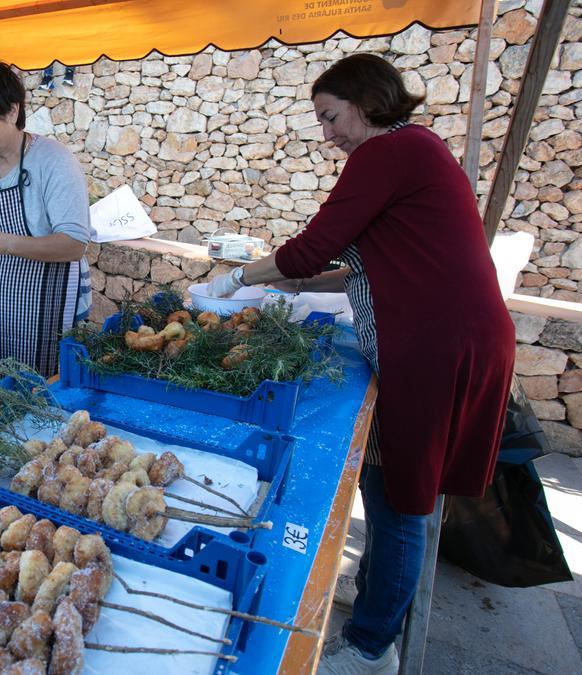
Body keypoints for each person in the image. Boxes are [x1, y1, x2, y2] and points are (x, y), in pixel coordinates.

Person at [207, 53, 515, 675]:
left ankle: (372, 646)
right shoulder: (413, 151)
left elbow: (313, 246)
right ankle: (380, 594)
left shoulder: (388, 152)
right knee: (386, 481)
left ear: (366, 99)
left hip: (437, 348)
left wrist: (238, 276)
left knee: (404, 499)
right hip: (444, 342)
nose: (328, 134)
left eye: (331, 116)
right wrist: (279, 289)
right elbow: (358, 265)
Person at [0, 61, 92, 377]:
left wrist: (7, 243)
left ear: (12, 112)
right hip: (0, 311)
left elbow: (74, 244)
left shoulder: (54, 161)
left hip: (48, 311)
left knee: (42, 401)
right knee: (5, 389)